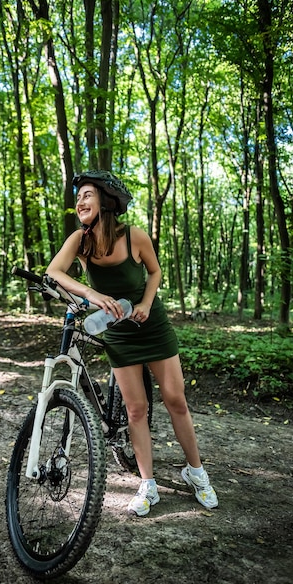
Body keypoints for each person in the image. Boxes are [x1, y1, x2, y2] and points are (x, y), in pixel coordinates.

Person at [46, 170, 218, 516]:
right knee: (136, 410)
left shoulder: (134, 236)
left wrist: (143, 304)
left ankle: (196, 473)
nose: (79, 201)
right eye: (78, 196)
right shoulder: (80, 241)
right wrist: (92, 293)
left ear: (106, 202)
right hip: (118, 331)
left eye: (87, 195)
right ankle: (147, 484)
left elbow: (154, 272)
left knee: (175, 400)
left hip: (151, 324)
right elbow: (54, 273)